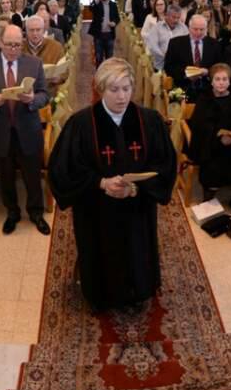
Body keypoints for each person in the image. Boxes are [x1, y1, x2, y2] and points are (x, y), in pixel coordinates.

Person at [48, 58, 176, 310]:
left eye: (126, 88)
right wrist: (101, 183)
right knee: (99, 252)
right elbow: (63, 169)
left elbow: (166, 164)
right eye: (114, 89)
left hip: (137, 207)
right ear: (100, 89)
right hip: (96, 209)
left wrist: (137, 187)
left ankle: (136, 292)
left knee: (137, 250)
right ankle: (100, 295)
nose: (121, 97)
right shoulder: (81, 124)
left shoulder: (149, 121)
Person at [0, 25, 50, 235]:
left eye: (17, 45)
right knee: (5, 177)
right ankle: (12, 213)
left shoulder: (34, 64)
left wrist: (33, 99)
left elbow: (45, 94)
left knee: (32, 177)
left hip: (28, 130)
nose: (13, 49)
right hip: (0, 132)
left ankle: (36, 213)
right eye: (9, 45)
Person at [187, 63, 231, 202]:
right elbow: (199, 126)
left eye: (224, 79)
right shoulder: (204, 99)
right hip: (212, 146)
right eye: (217, 79)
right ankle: (208, 201)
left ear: (229, 81)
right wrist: (219, 138)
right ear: (211, 81)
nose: (221, 83)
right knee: (213, 168)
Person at [163, 14, 223, 101]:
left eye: (202, 29)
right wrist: (186, 74)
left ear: (206, 29)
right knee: (176, 104)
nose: (198, 32)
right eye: (195, 29)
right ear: (189, 28)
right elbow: (168, 67)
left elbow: (219, 67)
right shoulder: (175, 43)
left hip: (208, 87)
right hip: (181, 86)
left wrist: (208, 72)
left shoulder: (214, 44)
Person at [146, 4, 188, 71]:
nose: (176, 20)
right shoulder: (157, 28)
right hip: (161, 66)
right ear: (167, 15)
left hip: (178, 67)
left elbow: (187, 45)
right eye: (173, 17)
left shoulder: (183, 28)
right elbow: (152, 46)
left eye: (178, 17)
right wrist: (164, 55)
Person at [88, 0, 120, 66]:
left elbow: (117, 18)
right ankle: (99, 75)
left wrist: (114, 23)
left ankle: (108, 75)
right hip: (99, 34)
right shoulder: (97, 3)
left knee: (109, 57)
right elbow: (91, 8)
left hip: (110, 34)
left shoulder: (113, 5)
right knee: (98, 57)